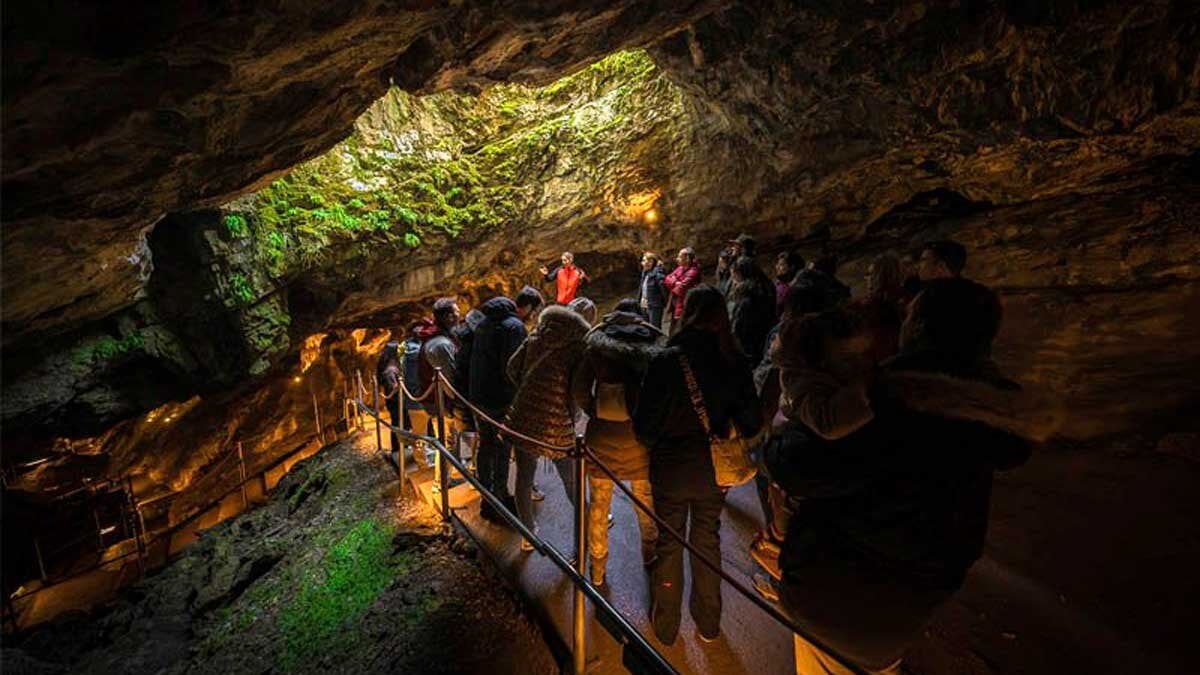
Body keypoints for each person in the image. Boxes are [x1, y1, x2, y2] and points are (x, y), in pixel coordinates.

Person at [773, 277, 1050, 674]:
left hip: (838, 595)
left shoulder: (885, 401)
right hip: (912, 603)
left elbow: (793, 464)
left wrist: (791, 419)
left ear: (916, 327)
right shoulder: (988, 414)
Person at [633, 285, 762, 645]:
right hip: (713, 472)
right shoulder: (734, 361)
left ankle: (667, 625)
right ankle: (708, 623)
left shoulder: (664, 360)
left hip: (671, 469)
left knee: (669, 543)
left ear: (686, 312)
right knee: (707, 540)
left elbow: (644, 428)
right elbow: (752, 423)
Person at [571, 308, 662, 585]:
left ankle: (597, 569)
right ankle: (650, 558)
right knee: (646, 505)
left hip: (602, 439)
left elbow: (579, 389)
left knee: (599, 505)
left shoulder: (595, 352)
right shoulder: (652, 353)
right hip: (641, 441)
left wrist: (595, 412)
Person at [504, 305, 591, 551]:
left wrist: (528, 392)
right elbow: (576, 392)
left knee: (523, 478)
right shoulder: (578, 348)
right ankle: (584, 536)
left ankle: (528, 534)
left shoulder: (536, 336)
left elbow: (511, 367)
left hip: (524, 417)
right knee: (571, 482)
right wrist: (572, 418)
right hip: (557, 424)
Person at [469, 287, 543, 522]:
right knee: (502, 449)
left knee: (485, 446)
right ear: (529, 308)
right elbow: (514, 367)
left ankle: (486, 497)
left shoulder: (483, 323)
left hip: (479, 395)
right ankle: (499, 500)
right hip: (501, 398)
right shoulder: (514, 327)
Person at [851, 253, 909, 365]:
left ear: (880, 275)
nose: (867, 278)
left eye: (870, 274)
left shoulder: (868, 306)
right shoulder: (908, 299)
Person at [375, 341, 404, 473]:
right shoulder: (391, 370)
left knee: (397, 423)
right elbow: (394, 388)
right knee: (397, 423)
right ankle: (397, 449)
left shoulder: (387, 367)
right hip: (396, 400)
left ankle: (398, 447)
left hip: (393, 400)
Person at [662, 247, 701, 337]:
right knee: (673, 328)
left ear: (687, 258)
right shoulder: (680, 268)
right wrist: (676, 282)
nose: (677, 259)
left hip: (685, 305)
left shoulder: (693, 271)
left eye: (679, 257)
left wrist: (674, 282)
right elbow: (666, 279)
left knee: (682, 330)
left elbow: (681, 289)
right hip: (675, 305)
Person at [637, 252, 667, 329]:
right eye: (643, 261)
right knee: (645, 327)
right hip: (644, 304)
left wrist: (664, 303)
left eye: (645, 261)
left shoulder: (658, 274)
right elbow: (641, 289)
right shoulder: (645, 273)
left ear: (652, 262)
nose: (643, 263)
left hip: (654, 306)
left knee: (654, 328)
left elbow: (663, 290)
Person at [774, 251, 805, 316]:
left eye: (781, 264)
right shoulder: (777, 284)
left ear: (792, 267)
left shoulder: (800, 285)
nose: (777, 267)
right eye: (777, 264)